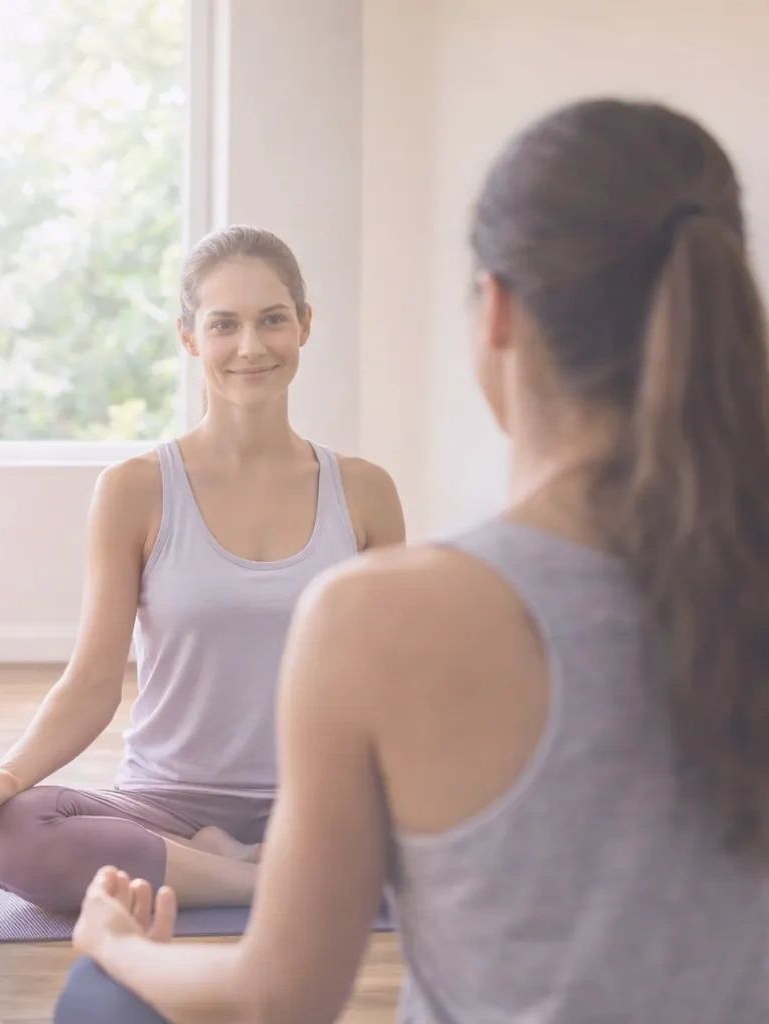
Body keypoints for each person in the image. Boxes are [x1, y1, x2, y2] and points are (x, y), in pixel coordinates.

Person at [58, 98, 769, 1023]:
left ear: (500, 312)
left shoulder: (379, 614)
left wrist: (115, 945)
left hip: (250, 877)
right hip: (179, 807)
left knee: (99, 995)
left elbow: (278, 998)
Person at [0, 226, 405, 911]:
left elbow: (392, 683)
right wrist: (7, 775)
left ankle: (257, 867)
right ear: (189, 337)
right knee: (13, 832)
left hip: (320, 802)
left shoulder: (365, 491)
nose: (252, 346)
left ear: (305, 326)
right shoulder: (135, 490)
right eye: (224, 324)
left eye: (273, 320)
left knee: (487, 826)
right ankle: (264, 881)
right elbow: (92, 684)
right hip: (166, 809)